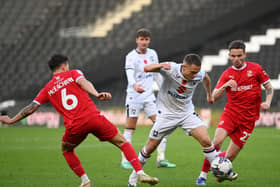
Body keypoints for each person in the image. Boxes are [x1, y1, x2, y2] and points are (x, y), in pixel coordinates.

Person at [0, 54, 159, 187]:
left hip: (75, 126)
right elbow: (84, 82)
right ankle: (140, 172)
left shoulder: (47, 88)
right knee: (122, 142)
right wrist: (96, 94)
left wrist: (12, 120)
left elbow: (31, 107)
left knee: (66, 150)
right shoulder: (73, 73)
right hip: (94, 118)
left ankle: (85, 181)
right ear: (64, 66)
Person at [128, 53, 219, 187]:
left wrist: (209, 95)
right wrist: (159, 66)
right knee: (150, 147)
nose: (195, 75)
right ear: (184, 67)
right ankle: (133, 178)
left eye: (197, 72)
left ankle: (221, 170)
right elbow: (146, 68)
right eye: (193, 72)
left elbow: (206, 78)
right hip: (166, 114)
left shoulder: (199, 73)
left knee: (206, 140)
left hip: (186, 113)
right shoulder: (171, 68)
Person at [195, 40, 274, 186]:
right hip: (231, 114)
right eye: (233, 56)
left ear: (245, 54)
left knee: (229, 157)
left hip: (248, 120)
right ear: (229, 56)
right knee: (216, 141)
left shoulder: (255, 69)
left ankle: (220, 169)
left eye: (239, 55)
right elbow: (213, 97)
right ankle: (202, 176)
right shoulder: (227, 74)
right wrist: (225, 86)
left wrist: (268, 102)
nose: (236, 59)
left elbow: (269, 87)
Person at [122, 28, 176, 169]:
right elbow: (129, 74)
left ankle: (161, 159)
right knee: (130, 128)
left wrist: (164, 91)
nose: (144, 42)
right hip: (134, 97)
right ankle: (125, 160)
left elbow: (157, 74)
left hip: (149, 97)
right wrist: (134, 85)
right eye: (141, 39)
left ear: (149, 40)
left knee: (161, 125)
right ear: (137, 40)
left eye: (146, 39)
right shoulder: (131, 56)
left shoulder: (153, 54)